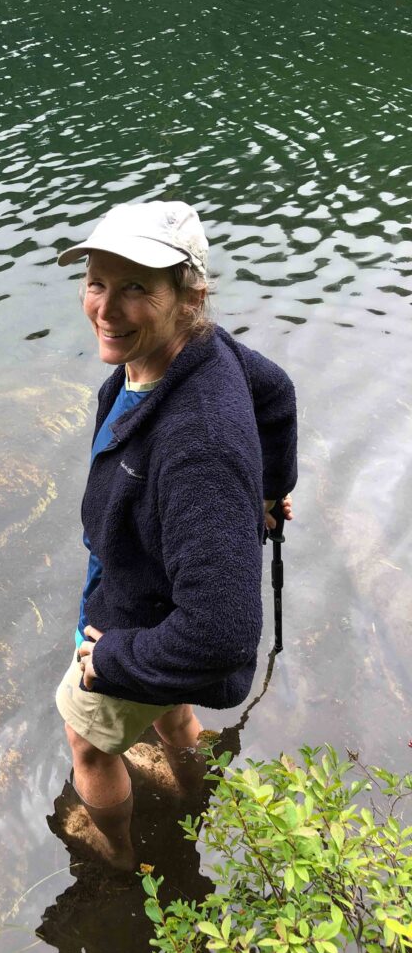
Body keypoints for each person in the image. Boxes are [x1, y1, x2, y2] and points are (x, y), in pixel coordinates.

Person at [54, 200, 297, 869]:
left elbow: (221, 633)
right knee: (169, 711)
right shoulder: (203, 347)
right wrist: (272, 494)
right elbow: (277, 392)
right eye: (97, 281)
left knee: (88, 745)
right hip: (155, 575)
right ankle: (193, 778)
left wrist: (115, 658)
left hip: (135, 617)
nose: (105, 307)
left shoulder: (199, 444)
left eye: (135, 287)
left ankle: (120, 867)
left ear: (189, 293)